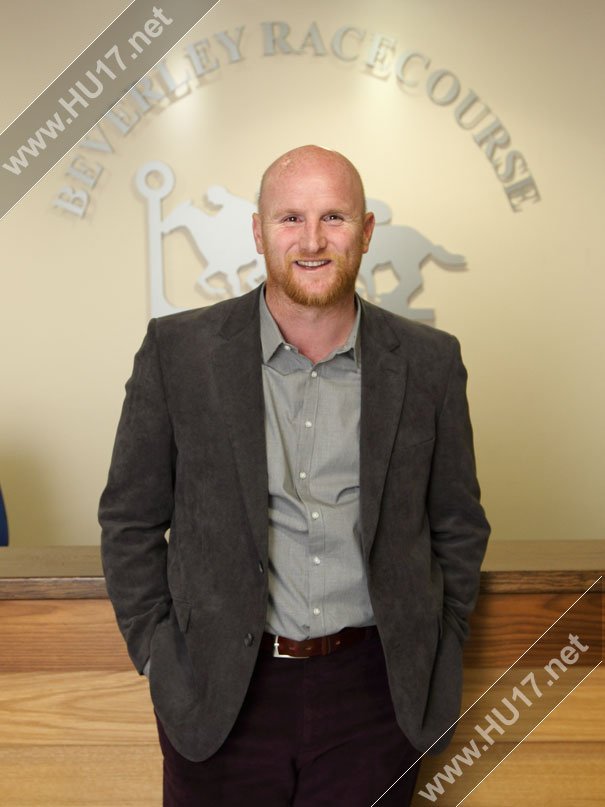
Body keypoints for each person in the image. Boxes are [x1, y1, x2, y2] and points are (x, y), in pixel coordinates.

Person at [99, 145, 490, 806]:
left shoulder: (430, 362)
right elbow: (129, 520)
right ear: (258, 231)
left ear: (366, 232)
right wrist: (160, 654)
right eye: (290, 218)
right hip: (218, 695)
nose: (311, 240)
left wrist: (439, 643)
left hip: (377, 700)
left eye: (334, 217)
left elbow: (457, 524)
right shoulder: (178, 352)